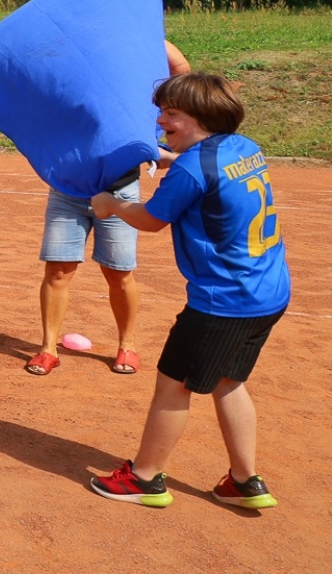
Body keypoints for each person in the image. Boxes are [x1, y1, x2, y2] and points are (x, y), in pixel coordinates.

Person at [87, 73, 290, 510]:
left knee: (173, 386)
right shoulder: (244, 147)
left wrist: (111, 205)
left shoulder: (193, 168)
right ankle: (243, 480)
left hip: (223, 302)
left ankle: (143, 479)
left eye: (171, 114)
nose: (161, 121)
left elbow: (151, 219)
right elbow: (207, 171)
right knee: (226, 380)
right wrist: (168, 156)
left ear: (201, 117)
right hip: (268, 293)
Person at [27, 39, 191, 376]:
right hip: (67, 190)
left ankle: (127, 346)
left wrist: (133, 29)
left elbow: (181, 71)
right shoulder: (67, 82)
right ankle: (47, 348)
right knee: (58, 271)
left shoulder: (132, 85)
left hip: (120, 190)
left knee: (119, 274)